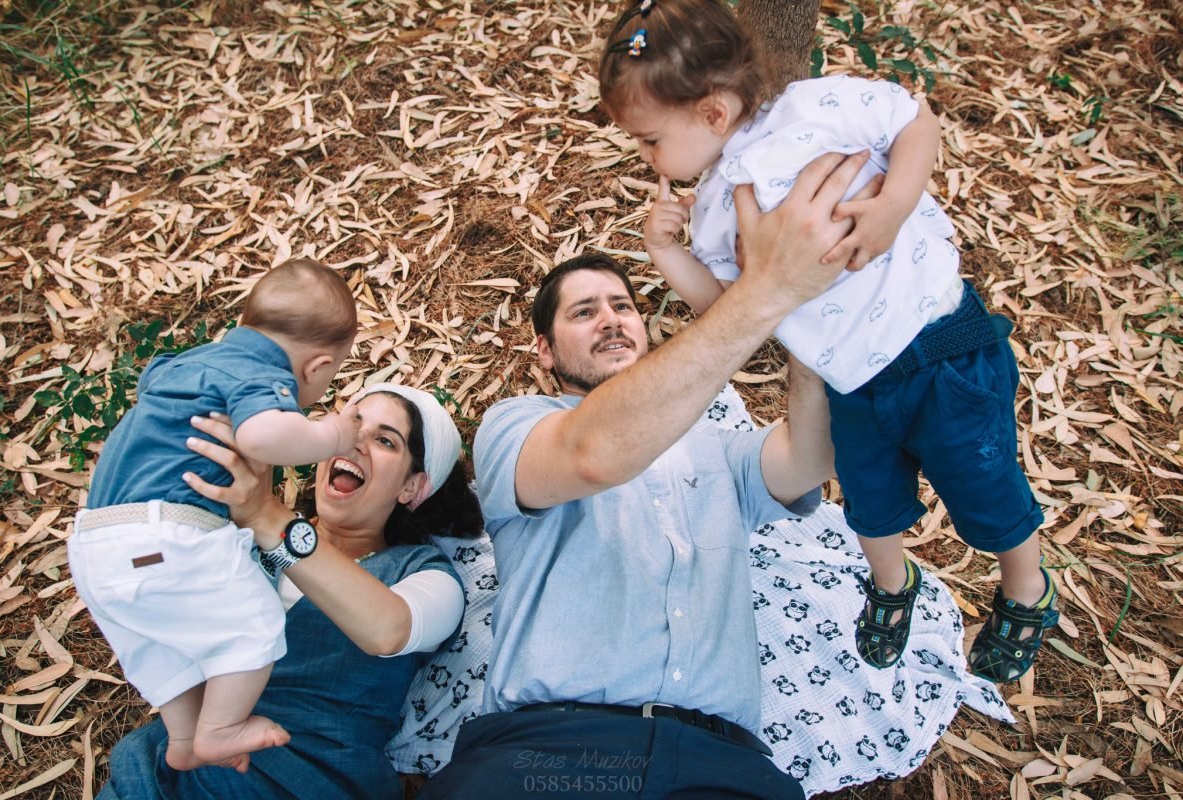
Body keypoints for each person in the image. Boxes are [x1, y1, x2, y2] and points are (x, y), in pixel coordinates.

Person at [598, 0, 1057, 682]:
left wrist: (894, 205)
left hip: (939, 345)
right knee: (869, 504)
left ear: (713, 113)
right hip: (851, 380)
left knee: (984, 486)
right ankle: (893, 584)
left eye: (649, 140)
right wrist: (668, 253)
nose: (646, 158)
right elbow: (734, 309)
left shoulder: (813, 108)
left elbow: (914, 120)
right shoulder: (716, 209)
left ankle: (1026, 588)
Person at [419, 151, 884, 800]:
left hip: (722, 761)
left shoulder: (718, 447)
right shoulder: (515, 426)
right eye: (583, 312)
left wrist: (809, 313)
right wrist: (767, 288)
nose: (611, 318)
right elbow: (594, 454)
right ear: (544, 352)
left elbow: (812, 457)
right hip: (547, 752)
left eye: (622, 305)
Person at [96, 381, 485, 799]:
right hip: (160, 773)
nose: (356, 441)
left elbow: (388, 630)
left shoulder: (422, 572)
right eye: (352, 423)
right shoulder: (239, 540)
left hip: (307, 778)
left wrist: (266, 516)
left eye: (385, 441)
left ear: (411, 486)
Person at [70, 258, 363, 771]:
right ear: (316, 367)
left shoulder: (190, 362)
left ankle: (185, 739)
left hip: (95, 546)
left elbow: (151, 392)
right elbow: (262, 436)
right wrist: (331, 434)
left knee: (163, 651)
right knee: (254, 622)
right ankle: (221, 729)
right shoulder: (262, 376)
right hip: (163, 538)